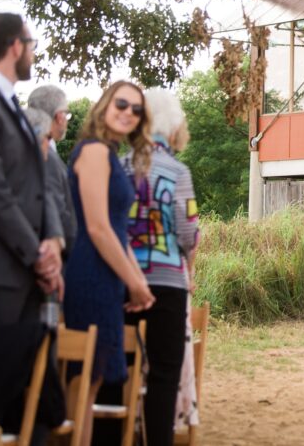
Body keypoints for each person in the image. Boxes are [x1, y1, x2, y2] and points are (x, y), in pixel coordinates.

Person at [0, 13, 64, 444]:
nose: (32, 52)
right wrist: (36, 252)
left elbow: (38, 185)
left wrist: (51, 244)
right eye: (31, 44)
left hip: (25, 275)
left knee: (23, 402)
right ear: (14, 46)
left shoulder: (10, 103)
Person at [62, 81, 156, 445]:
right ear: (104, 105)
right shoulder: (94, 151)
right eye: (121, 104)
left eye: (137, 110)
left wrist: (138, 281)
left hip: (107, 276)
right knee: (83, 377)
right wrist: (133, 282)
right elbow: (98, 228)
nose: (128, 113)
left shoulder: (109, 154)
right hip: (90, 273)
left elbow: (117, 231)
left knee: (93, 379)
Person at [121, 89, 201, 446]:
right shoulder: (178, 172)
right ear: (172, 127)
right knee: (164, 375)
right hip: (168, 283)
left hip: (124, 279)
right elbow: (189, 231)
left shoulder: (119, 167)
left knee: (121, 370)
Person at [28, 85, 77, 260]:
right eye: (66, 114)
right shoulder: (45, 156)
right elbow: (57, 209)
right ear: (59, 116)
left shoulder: (26, 149)